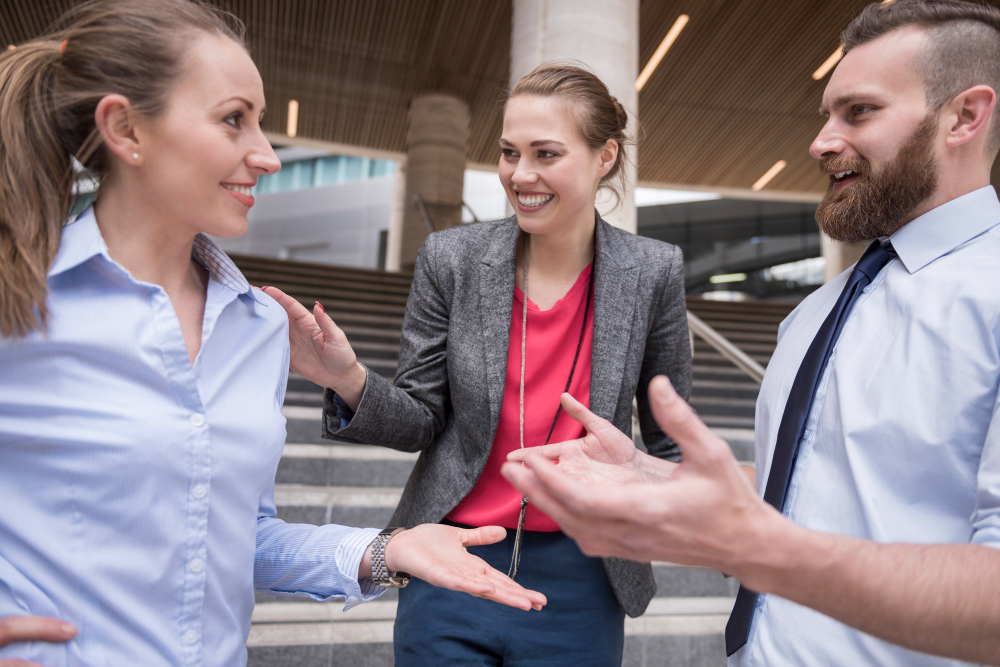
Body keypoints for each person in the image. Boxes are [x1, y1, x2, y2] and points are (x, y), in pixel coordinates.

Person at [0, 1, 546, 665]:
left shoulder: (259, 327)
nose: (267, 156)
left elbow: (235, 538)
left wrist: (388, 550)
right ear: (125, 128)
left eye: (259, 122)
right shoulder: (20, 304)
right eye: (234, 119)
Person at [502, 1, 1000, 666]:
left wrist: (750, 547)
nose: (821, 142)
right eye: (827, 114)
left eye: (859, 112)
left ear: (965, 117)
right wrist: (650, 476)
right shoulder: (815, 313)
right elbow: (825, 481)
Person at [265, 63, 691, 665]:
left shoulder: (653, 271)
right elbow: (421, 418)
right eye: (509, 152)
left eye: (546, 153)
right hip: (452, 557)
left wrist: (728, 535)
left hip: (585, 576)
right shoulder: (451, 258)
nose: (521, 174)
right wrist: (346, 379)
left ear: (605, 157)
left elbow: (671, 440)